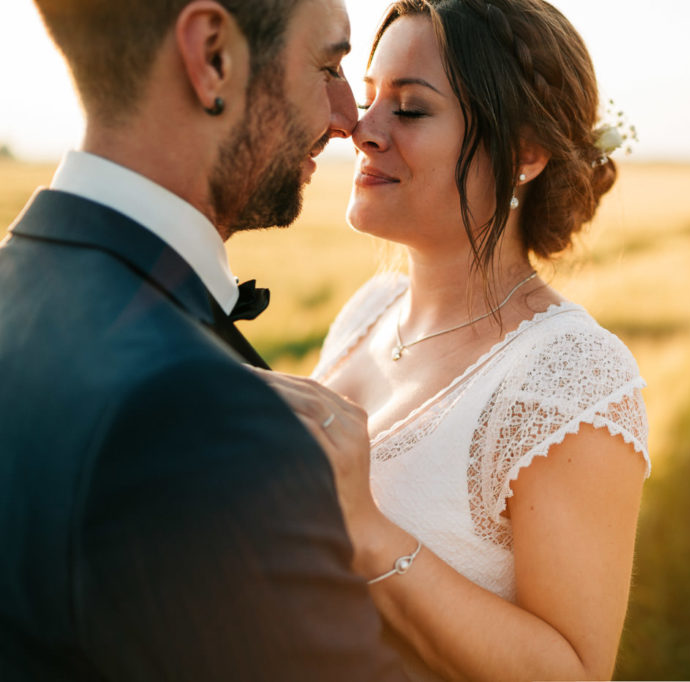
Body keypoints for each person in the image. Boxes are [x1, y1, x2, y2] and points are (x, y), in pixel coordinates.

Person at [0, 1, 406, 679]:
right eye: (329, 65)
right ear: (213, 56)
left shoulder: (18, 284)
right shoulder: (189, 413)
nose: (348, 118)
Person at [262, 0, 650, 679]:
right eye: (370, 97)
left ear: (525, 151)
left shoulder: (569, 376)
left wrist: (369, 530)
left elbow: (573, 671)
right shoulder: (368, 313)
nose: (362, 129)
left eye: (409, 109)